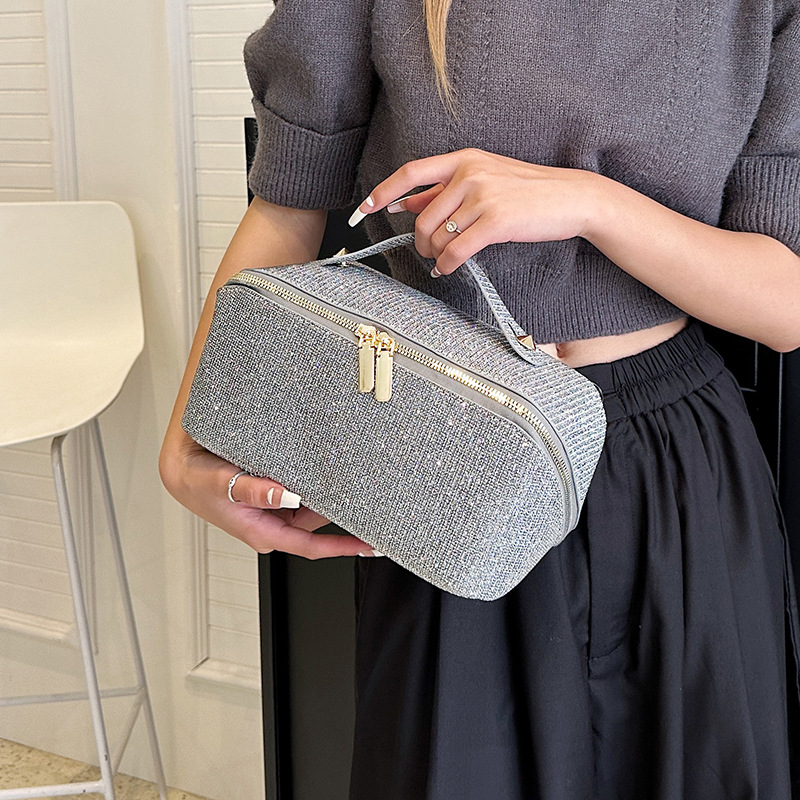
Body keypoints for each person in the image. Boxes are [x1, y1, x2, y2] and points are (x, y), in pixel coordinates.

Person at [160, 0, 800, 796]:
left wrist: (591, 203)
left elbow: (786, 302)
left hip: (674, 474)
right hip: (451, 461)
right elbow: (287, 207)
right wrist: (188, 441)